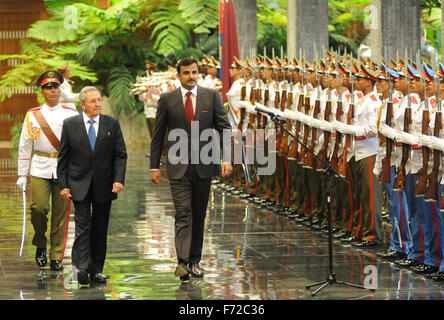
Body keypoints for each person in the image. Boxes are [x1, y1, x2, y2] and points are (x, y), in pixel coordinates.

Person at [149, 57, 232, 281]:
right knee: (183, 213)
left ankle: (194, 261)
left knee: (198, 214)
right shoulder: (167, 100)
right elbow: (158, 135)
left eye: (194, 72)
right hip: (178, 167)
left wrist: (227, 158)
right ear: (179, 75)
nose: (191, 76)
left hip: (204, 166)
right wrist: (154, 166)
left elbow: (225, 128)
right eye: (186, 73)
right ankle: (182, 262)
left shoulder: (211, 96)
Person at [57, 86, 127, 285]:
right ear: (82, 104)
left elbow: (120, 154)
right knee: (82, 226)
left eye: (99, 100)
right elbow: (63, 157)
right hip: (78, 183)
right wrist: (64, 184)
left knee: (99, 228)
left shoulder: (111, 124)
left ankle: (96, 269)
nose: (98, 104)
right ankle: (80, 268)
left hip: (105, 185)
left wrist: (118, 179)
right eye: (93, 101)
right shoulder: (70, 124)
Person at [16, 70, 78, 270]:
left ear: (60, 90)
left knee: (61, 214)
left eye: (55, 87)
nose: (52, 91)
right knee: (39, 209)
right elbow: (25, 145)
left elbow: (78, 145)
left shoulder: (71, 114)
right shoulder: (33, 115)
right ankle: (40, 243)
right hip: (40, 167)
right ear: (42, 91)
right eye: (48, 88)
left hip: (64, 169)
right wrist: (21, 174)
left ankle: (56, 256)